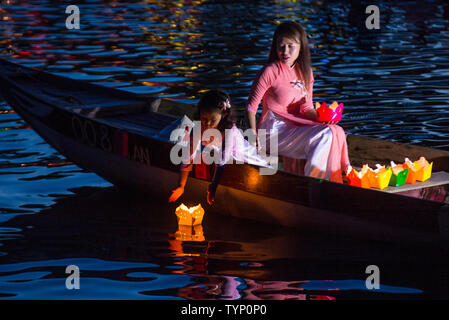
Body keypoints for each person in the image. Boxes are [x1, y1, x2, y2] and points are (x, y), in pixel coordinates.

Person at [246, 21, 350, 183]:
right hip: (273, 131)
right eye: (281, 46)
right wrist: (253, 140)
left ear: (301, 46)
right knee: (325, 134)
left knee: (334, 130)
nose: (285, 51)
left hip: (295, 127)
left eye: (290, 46)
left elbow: (306, 108)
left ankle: (324, 180)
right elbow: (251, 108)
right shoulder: (270, 71)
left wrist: (323, 117)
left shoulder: (306, 72)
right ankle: (312, 184)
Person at [167, 89, 236, 205]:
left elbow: (222, 161)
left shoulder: (228, 131)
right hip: (212, 148)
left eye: (213, 120)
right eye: (204, 119)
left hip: (233, 151)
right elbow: (188, 156)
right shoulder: (199, 127)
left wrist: (214, 185)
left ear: (223, 116)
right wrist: (181, 185)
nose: (207, 124)